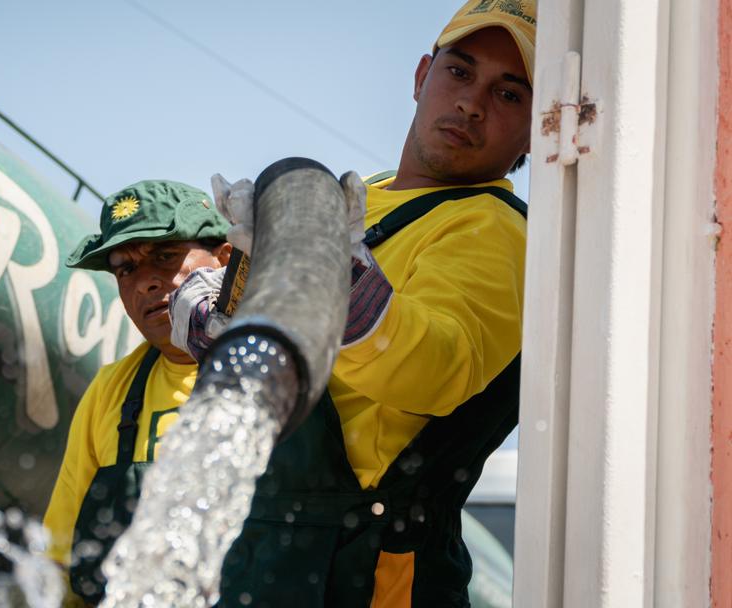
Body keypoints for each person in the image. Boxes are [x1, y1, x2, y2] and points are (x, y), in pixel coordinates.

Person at [46, 0, 535, 605]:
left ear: (538, 128)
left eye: (509, 94)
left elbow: (437, 367)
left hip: (367, 573)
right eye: (459, 72)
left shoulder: (492, 227)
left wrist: (337, 275)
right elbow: (280, 345)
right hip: (270, 555)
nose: (471, 103)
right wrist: (221, 315)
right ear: (420, 78)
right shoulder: (365, 198)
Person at [42, 179, 233, 606]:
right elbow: (59, 563)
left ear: (224, 260)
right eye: (125, 268)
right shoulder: (112, 391)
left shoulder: (280, 368)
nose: (146, 281)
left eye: (165, 256)